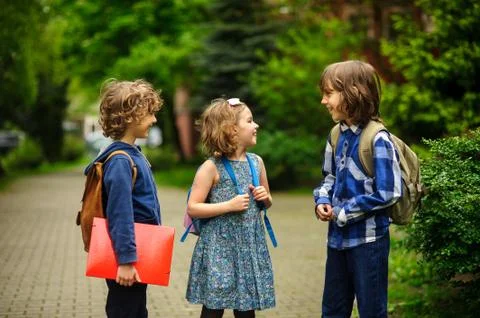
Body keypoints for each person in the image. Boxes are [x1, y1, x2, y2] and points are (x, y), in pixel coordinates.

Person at [313, 60, 402, 318]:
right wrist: (322, 200)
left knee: (371, 311)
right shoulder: (335, 135)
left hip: (369, 243)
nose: (323, 101)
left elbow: (389, 192)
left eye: (329, 94)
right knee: (333, 310)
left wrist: (344, 212)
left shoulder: (378, 138)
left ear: (353, 94)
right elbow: (328, 177)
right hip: (337, 242)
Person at [186, 98, 275, 318]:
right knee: (214, 308)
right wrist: (228, 205)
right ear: (232, 130)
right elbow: (193, 208)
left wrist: (265, 198)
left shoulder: (257, 162)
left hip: (248, 246)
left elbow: (268, 201)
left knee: (246, 309)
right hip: (220, 248)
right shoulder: (210, 167)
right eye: (250, 121)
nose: (256, 125)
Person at [84, 79, 163, 317]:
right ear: (130, 117)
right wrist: (126, 261)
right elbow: (120, 214)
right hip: (128, 255)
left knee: (137, 309)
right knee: (124, 310)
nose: (154, 119)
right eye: (149, 113)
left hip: (140, 250)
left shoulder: (131, 154)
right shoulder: (120, 160)